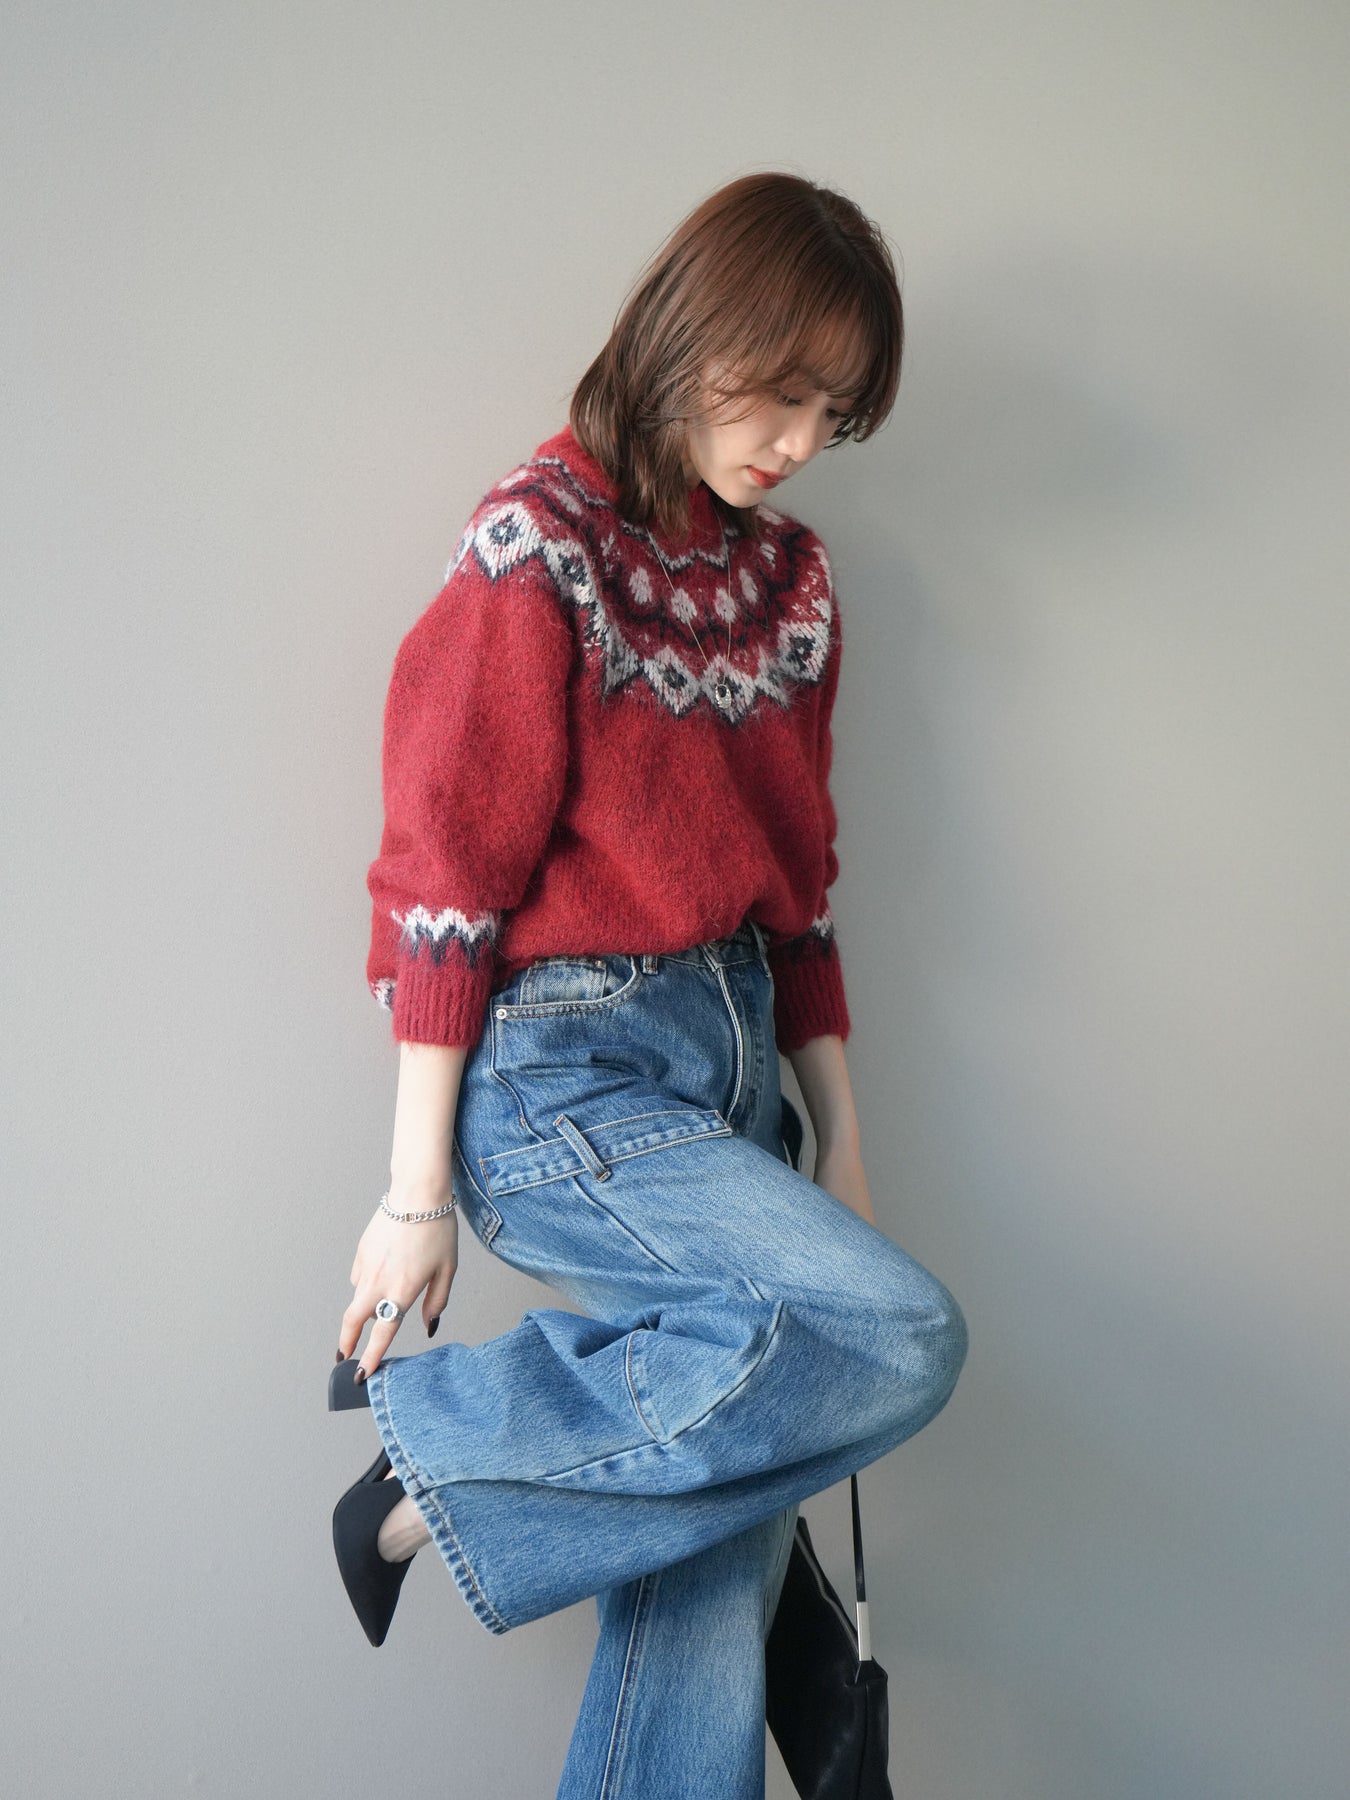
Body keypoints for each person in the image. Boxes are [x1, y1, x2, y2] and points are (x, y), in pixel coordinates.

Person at [331, 171, 968, 1798]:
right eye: (780, 390)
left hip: (735, 1073)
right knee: (895, 1334)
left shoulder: (795, 583)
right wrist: (414, 1192)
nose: (798, 441)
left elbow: (800, 890)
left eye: (834, 413)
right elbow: (445, 878)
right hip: (563, 1078)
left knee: (705, 1562)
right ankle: (433, 1476)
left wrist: (840, 1140)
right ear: (691, 334)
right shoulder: (539, 541)